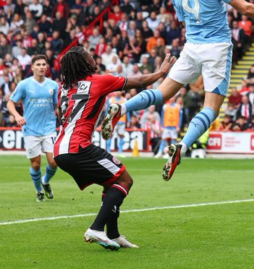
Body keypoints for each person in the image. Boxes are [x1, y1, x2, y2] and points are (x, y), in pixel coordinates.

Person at [99, 0, 254, 181]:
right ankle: (183, 145)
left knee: (162, 93)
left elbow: (186, 21)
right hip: (217, 48)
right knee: (210, 108)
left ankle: (123, 107)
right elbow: (246, 8)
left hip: (191, 47)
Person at [54, 47, 175, 250]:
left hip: (60, 149)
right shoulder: (99, 81)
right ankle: (96, 228)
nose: (93, 58)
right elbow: (142, 82)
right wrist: (162, 72)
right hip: (78, 146)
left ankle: (113, 234)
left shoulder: (63, 88)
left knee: (111, 183)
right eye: (89, 56)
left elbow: (61, 116)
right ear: (84, 63)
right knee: (125, 180)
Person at [7, 54, 59, 202]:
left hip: (49, 128)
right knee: (36, 164)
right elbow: (10, 103)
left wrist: (62, 118)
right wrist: (17, 116)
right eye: (38, 65)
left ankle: (45, 181)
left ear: (47, 67)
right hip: (31, 130)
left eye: (44, 64)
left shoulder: (53, 85)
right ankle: (38, 190)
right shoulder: (24, 84)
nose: (41, 67)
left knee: (54, 162)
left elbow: (56, 106)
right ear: (33, 67)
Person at [106, 92, 128, 156]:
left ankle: (120, 151)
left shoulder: (124, 100)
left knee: (121, 135)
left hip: (122, 120)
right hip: (113, 121)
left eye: (119, 91)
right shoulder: (111, 99)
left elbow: (127, 110)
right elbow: (108, 110)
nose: (118, 92)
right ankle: (108, 151)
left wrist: (128, 120)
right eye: (117, 91)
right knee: (110, 135)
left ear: (121, 92)